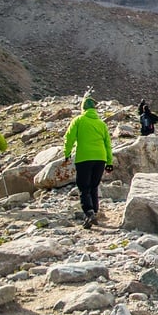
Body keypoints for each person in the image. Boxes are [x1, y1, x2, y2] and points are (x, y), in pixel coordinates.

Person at [63, 95, 113, 229]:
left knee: (84, 187)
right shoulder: (101, 124)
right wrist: (109, 162)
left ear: (83, 108)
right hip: (100, 158)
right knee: (94, 186)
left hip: (84, 157)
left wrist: (67, 154)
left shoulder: (78, 120)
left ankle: (89, 212)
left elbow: (69, 138)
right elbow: (108, 144)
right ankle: (94, 213)